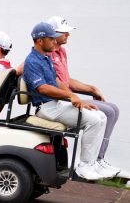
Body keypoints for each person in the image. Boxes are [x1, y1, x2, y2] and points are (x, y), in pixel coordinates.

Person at [23, 22, 108, 180]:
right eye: (51, 39)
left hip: (56, 104)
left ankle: (91, 164)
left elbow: (56, 81)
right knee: (94, 121)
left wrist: (75, 98)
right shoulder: (32, 61)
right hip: (46, 108)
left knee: (101, 116)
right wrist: (70, 97)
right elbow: (43, 89)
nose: (55, 42)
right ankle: (84, 166)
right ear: (40, 40)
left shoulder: (45, 58)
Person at [47, 16, 120, 176]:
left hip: (66, 98)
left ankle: (99, 159)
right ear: (52, 33)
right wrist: (75, 98)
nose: (68, 35)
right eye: (64, 32)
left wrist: (92, 89)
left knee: (113, 108)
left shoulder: (62, 51)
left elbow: (67, 81)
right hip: (61, 101)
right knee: (107, 112)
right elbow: (55, 83)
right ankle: (93, 161)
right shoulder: (48, 54)